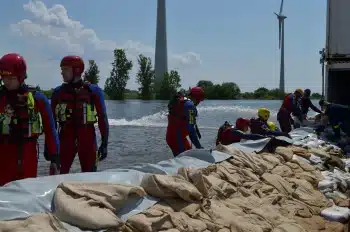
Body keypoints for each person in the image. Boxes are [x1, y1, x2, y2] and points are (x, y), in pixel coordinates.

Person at [0, 53, 59, 186]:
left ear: (21, 77)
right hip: (3, 155)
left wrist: (55, 156)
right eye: (3, 77)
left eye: (11, 77)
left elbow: (50, 129)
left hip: (28, 154)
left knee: (27, 192)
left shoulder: (38, 99)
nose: (6, 81)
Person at [50, 55, 109, 174]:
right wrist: (50, 147)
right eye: (62, 70)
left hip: (87, 138)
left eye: (65, 70)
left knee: (90, 176)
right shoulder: (58, 93)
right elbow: (51, 124)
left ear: (76, 70)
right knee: (56, 175)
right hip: (65, 137)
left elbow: (102, 118)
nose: (62, 73)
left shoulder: (93, 91)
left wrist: (104, 142)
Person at [166, 87, 204, 156]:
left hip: (176, 137)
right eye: (200, 100)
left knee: (190, 156)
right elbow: (191, 130)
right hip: (177, 139)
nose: (199, 103)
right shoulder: (190, 106)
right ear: (197, 98)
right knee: (183, 162)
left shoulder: (183, 102)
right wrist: (199, 147)